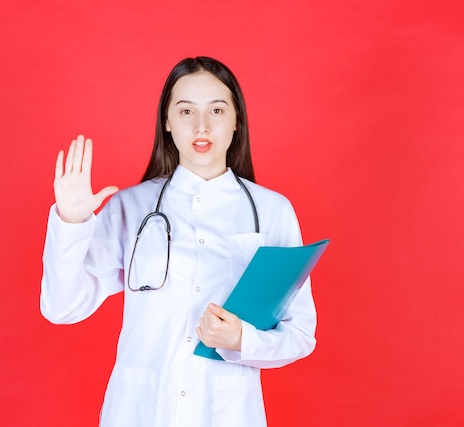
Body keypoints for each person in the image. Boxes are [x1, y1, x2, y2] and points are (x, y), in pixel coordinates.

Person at [40, 56, 316, 427]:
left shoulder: (272, 211)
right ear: (167, 123)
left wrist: (242, 340)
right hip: (138, 410)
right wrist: (72, 223)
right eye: (186, 111)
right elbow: (62, 308)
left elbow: (299, 335)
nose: (201, 126)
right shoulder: (131, 207)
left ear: (237, 121)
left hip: (227, 414)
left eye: (216, 110)